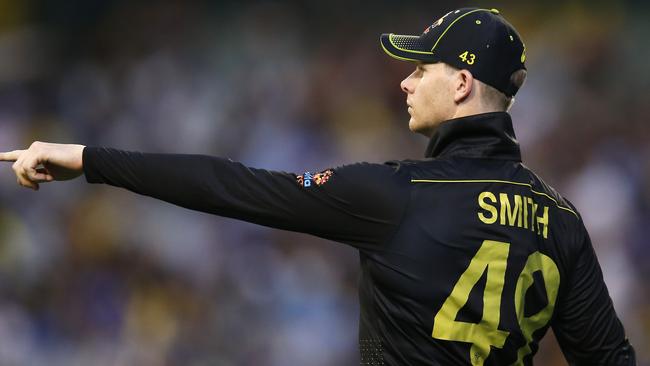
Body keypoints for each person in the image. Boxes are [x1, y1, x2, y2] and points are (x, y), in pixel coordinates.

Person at [0, 7, 636, 366]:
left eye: (421, 66)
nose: (406, 83)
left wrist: (90, 158)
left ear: (463, 82)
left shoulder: (396, 194)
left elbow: (231, 186)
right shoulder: (562, 220)